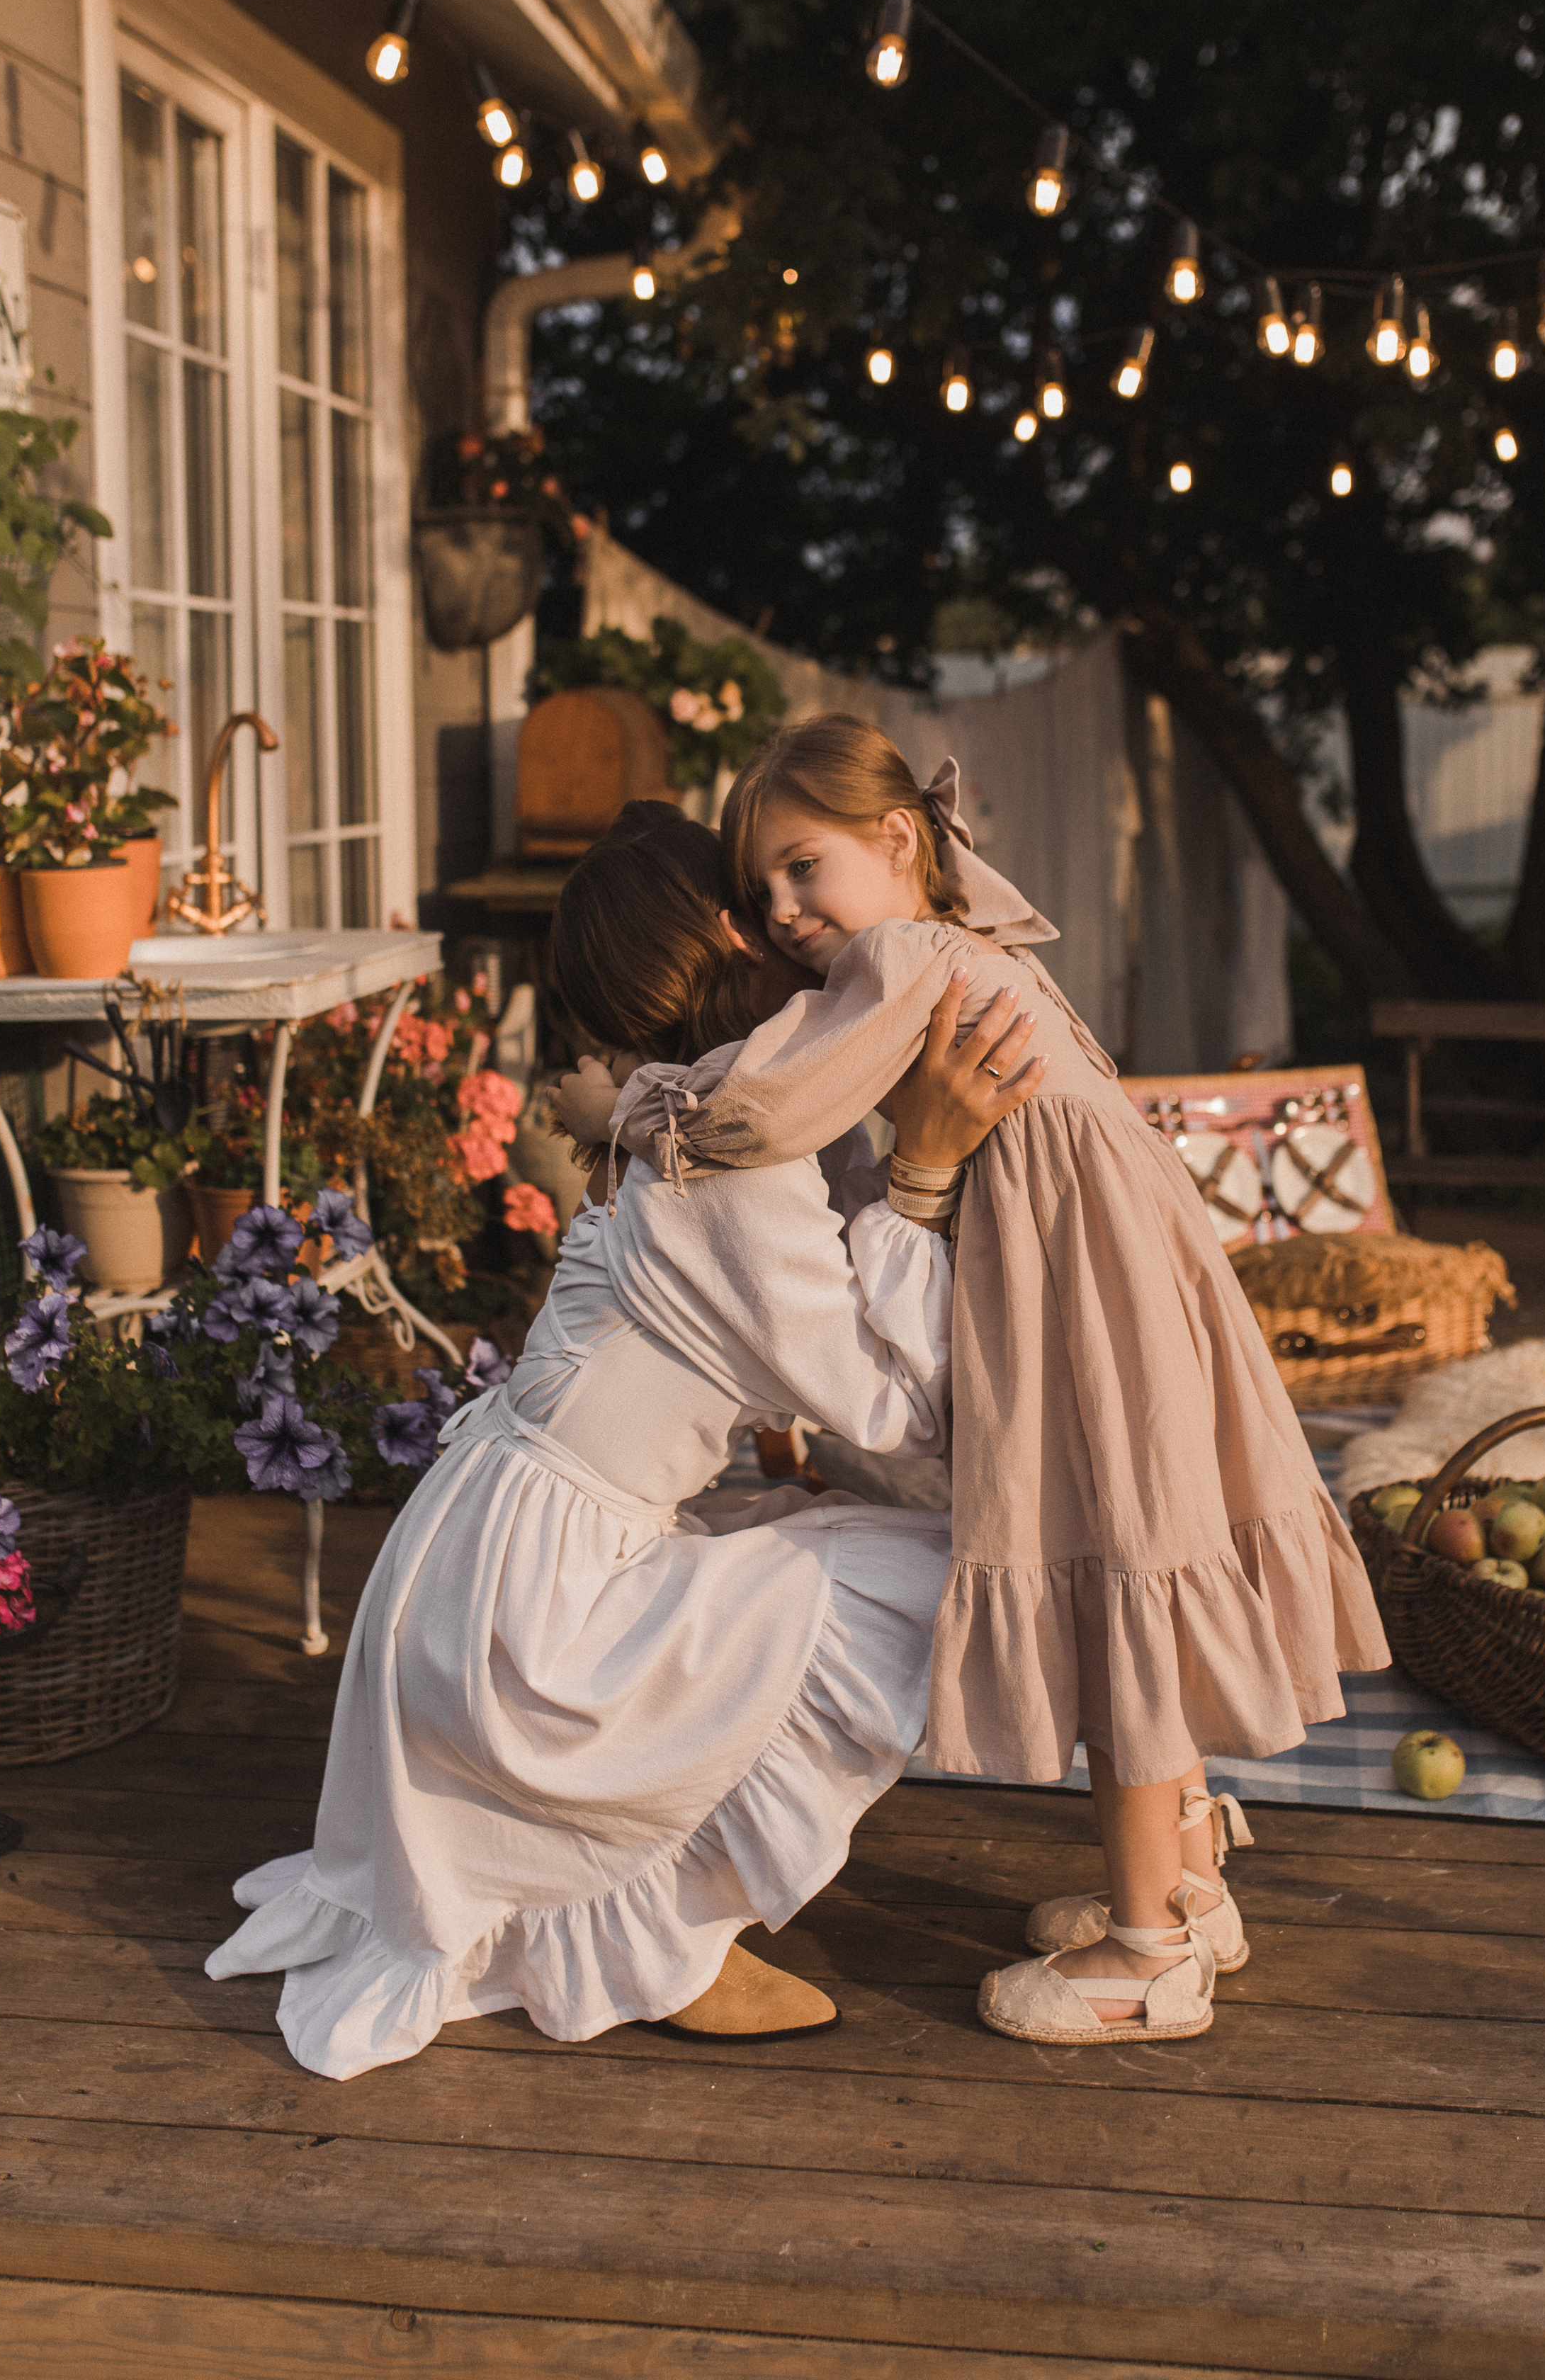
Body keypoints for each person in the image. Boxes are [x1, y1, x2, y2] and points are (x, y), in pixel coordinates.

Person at [565, 718, 1391, 2050]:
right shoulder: (973, 938)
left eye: (800, 868)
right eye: (760, 890)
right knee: (1149, 1545)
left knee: (1110, 1558)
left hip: (1075, 1294)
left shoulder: (894, 958)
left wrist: (641, 1113)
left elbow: (775, 1108)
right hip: (1122, 1277)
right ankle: (1187, 1881)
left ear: (898, 841)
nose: (780, 915)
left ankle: (1147, 1954)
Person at [205, 802, 1039, 2077]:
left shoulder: (688, 1121)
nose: (795, 923)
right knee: (928, 1583)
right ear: (727, 929)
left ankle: (645, 1907)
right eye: (764, 901)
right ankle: (663, 1941)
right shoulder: (723, 1169)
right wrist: (926, 1171)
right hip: (530, 1607)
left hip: (483, 1542)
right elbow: (891, 1403)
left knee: (816, 1551)